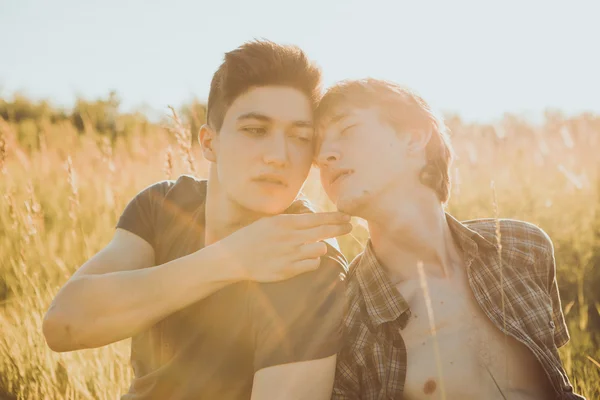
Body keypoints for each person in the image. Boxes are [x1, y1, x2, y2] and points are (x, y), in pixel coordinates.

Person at [42, 40, 353, 400]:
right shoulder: (164, 205)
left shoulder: (305, 258)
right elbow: (63, 325)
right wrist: (232, 260)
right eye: (255, 130)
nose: (278, 156)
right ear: (209, 143)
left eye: (300, 137)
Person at [315, 78, 584, 399]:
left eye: (347, 130)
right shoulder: (346, 317)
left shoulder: (525, 247)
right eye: (318, 145)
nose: (324, 154)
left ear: (413, 139)